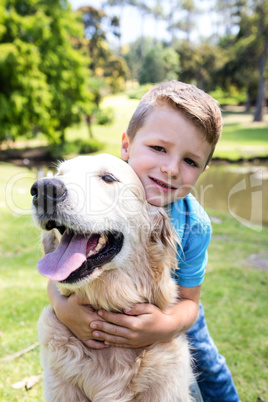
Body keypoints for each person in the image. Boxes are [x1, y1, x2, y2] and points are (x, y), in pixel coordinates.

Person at [47, 80, 240, 401]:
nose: (170, 169)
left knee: (206, 361)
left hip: (171, 302)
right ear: (127, 145)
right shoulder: (102, 191)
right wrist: (62, 307)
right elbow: (61, 263)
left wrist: (163, 326)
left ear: (204, 169)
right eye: (159, 148)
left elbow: (190, 302)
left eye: (190, 161)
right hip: (108, 300)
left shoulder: (195, 224)